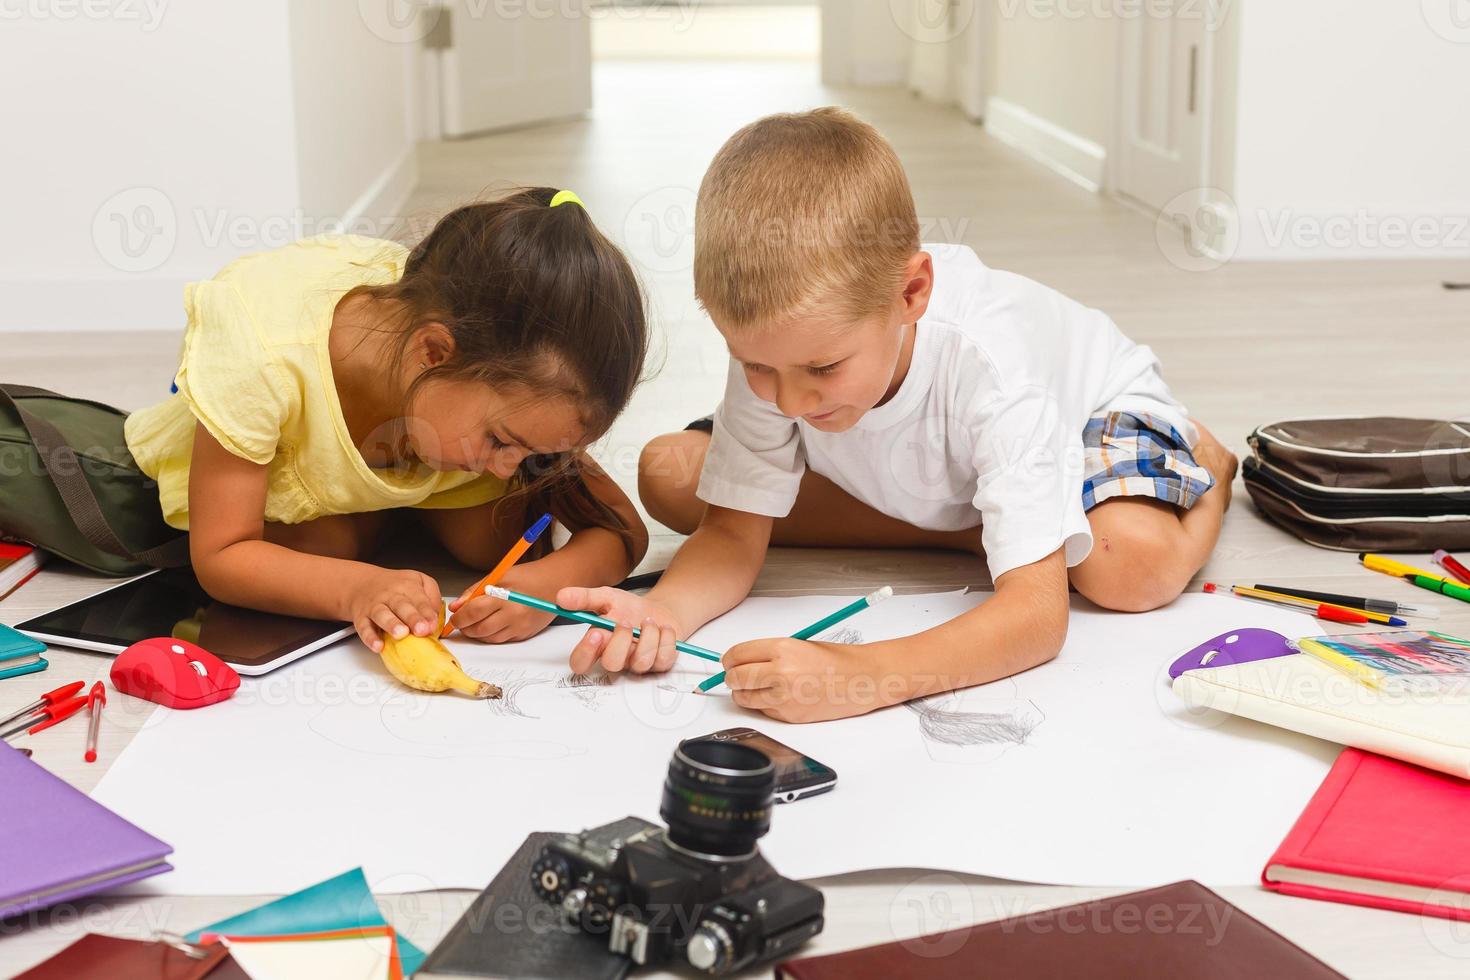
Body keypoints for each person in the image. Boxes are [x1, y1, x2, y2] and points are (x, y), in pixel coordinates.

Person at [556, 109, 1238, 723]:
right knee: (674, 478)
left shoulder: (990, 366)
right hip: (934, 465)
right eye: (756, 366)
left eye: (822, 369)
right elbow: (732, 536)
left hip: (1096, 409)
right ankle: (990, 526)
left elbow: (1037, 619)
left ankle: (1213, 467)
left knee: (1126, 569)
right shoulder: (792, 352)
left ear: (912, 293)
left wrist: (861, 675)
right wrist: (664, 611)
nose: (789, 401)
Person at [125, 189, 650, 653]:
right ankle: (368, 524)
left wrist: (546, 589)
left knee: (495, 544)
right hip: (275, 480)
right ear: (433, 352)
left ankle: (382, 514)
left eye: (533, 453)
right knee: (319, 550)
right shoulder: (263, 352)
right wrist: (357, 588)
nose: (504, 469)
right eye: (499, 441)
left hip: (415, 430)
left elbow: (620, 532)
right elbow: (221, 557)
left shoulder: (513, 373)